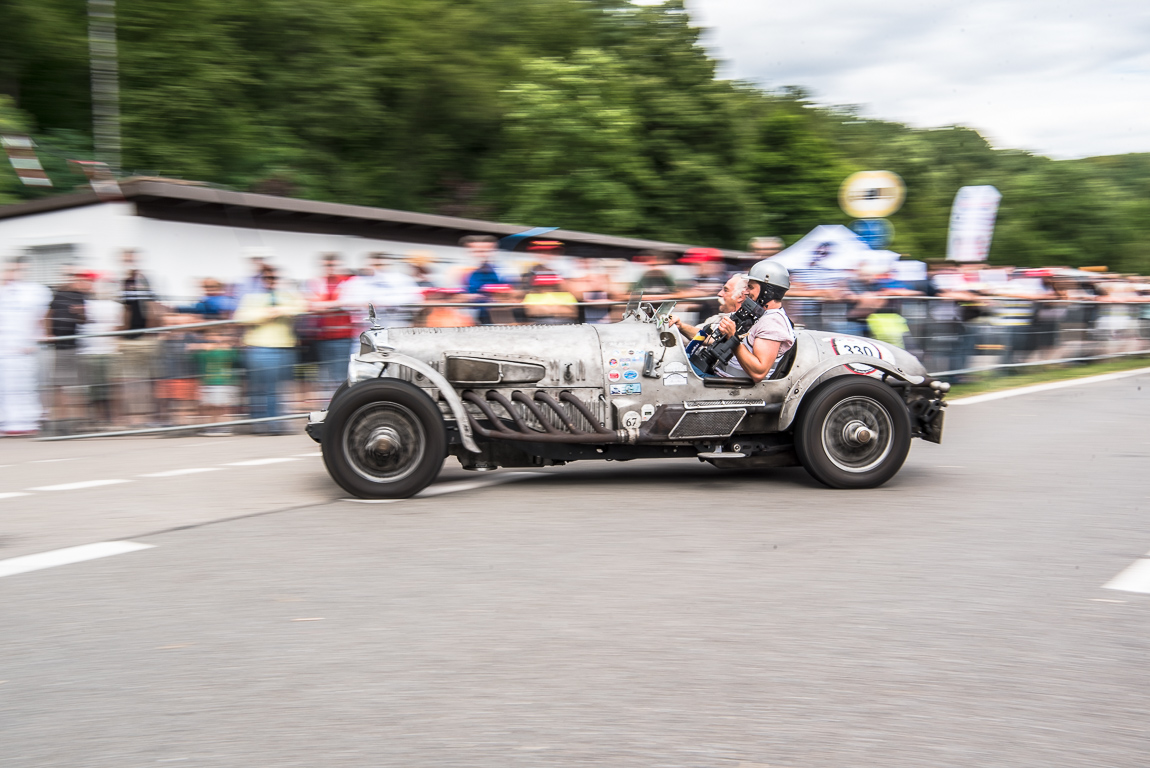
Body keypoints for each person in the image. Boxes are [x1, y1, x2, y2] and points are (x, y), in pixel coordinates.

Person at [234, 266, 306, 434]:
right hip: (259, 348)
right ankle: (260, 423)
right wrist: (266, 314)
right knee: (260, 388)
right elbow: (241, 317)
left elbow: (302, 308)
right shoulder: (251, 297)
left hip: (284, 348)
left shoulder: (287, 296)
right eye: (267, 277)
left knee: (276, 389)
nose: (271, 281)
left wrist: (280, 309)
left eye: (273, 277)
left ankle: (274, 423)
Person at [714, 260, 795, 382]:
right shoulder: (756, 314)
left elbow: (758, 372)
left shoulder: (773, 322)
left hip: (733, 388)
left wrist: (732, 338)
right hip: (719, 379)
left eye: (751, 287)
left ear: (768, 291)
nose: (746, 291)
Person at [0, 256, 52, 435]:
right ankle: (6, 422)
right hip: (4, 348)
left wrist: (37, 336)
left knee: (25, 386)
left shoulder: (34, 291)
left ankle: (26, 421)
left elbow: (41, 317)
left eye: (16, 270)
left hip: (22, 349)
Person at [339, 252, 423, 343]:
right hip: (366, 332)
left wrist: (382, 302)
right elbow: (344, 302)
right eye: (374, 265)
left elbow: (415, 299)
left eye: (381, 265)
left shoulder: (402, 280)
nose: (377, 268)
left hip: (395, 330)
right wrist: (365, 304)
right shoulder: (356, 282)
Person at [306, 253, 355, 391]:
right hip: (322, 337)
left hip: (342, 337)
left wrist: (325, 304)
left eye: (332, 265)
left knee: (341, 376)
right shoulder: (316, 282)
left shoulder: (347, 281)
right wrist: (336, 303)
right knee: (326, 376)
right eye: (326, 265)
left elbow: (348, 302)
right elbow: (311, 305)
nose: (330, 268)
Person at [669, 273, 750, 343]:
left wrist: (681, 326)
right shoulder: (715, 319)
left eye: (726, 290)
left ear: (740, 296)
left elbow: (705, 338)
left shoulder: (741, 324)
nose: (719, 294)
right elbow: (687, 339)